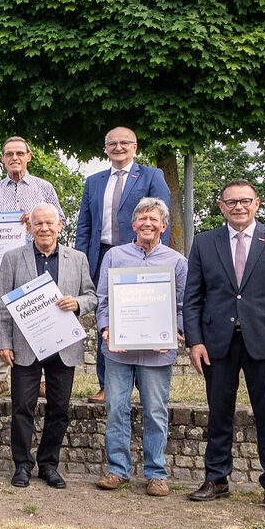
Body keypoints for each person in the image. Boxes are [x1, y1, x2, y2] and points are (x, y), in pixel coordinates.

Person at [185, 180, 265, 513]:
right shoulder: (204, 242)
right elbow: (193, 299)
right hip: (217, 344)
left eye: (245, 201)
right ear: (221, 207)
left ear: (256, 203)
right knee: (218, 414)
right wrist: (195, 341)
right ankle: (217, 478)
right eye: (230, 202)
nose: (238, 207)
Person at [0, 203, 96, 489]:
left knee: (59, 409)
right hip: (24, 347)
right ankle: (22, 465)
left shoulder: (77, 259)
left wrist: (78, 303)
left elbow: (92, 296)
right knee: (21, 408)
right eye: (38, 223)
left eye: (50, 223)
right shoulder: (13, 258)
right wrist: (2, 342)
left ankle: (49, 465)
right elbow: (1, 304)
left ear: (60, 225)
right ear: (30, 228)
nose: (44, 228)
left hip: (63, 346)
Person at [95, 197, 186, 497]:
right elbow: (103, 300)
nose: (148, 223)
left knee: (156, 412)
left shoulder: (177, 262)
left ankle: (156, 473)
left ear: (164, 225)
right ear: (133, 224)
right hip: (118, 351)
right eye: (142, 218)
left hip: (157, 355)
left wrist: (174, 331)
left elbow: (183, 307)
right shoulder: (114, 257)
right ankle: (118, 469)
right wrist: (107, 328)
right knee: (116, 408)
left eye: (154, 218)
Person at [75, 127, 172, 402]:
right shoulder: (93, 181)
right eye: (112, 143)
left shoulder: (152, 175)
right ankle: (107, 385)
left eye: (124, 143)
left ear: (135, 147)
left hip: (140, 256)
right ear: (105, 148)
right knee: (105, 316)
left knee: (143, 314)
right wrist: (82, 261)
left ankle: (145, 387)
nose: (118, 147)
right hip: (102, 256)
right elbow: (85, 225)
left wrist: (152, 253)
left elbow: (161, 216)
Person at [0, 137, 63, 398]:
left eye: (19, 153)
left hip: (36, 261)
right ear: (2, 158)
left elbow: (61, 221)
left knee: (41, 316)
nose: (14, 158)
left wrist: (36, 218)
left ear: (29, 156)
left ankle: (43, 375)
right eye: (9, 153)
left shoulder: (44, 188)